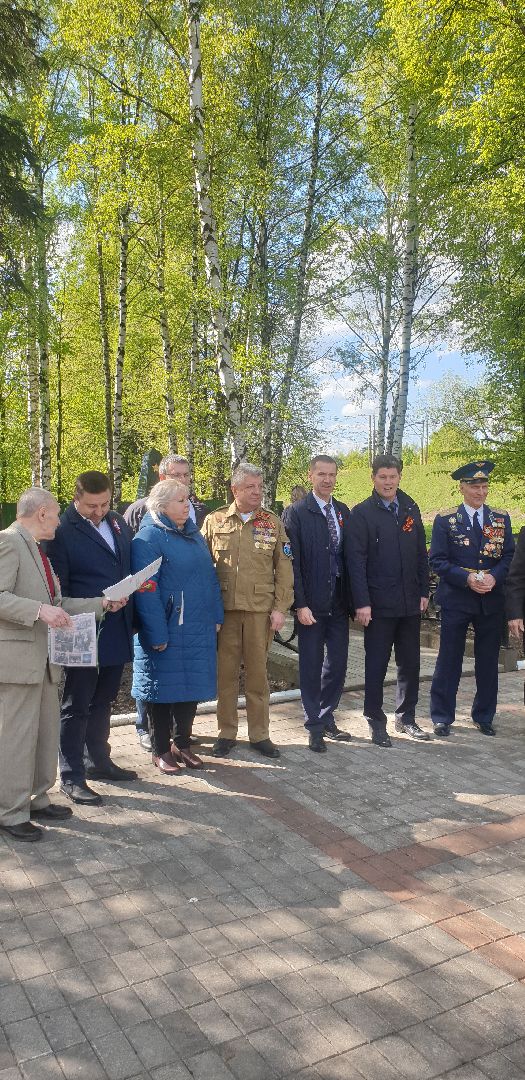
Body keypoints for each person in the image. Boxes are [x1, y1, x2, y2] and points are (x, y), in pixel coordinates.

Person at [0, 488, 123, 842]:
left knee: (42, 734)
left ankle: (37, 800)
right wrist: (39, 611)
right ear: (41, 513)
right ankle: (9, 812)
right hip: (18, 663)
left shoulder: (38, 551)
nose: (60, 520)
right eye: (55, 514)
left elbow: (58, 601)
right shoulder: (9, 543)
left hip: (42, 662)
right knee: (17, 739)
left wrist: (102, 604)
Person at [47, 471, 137, 805]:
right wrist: (97, 603)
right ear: (76, 498)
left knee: (104, 700)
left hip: (116, 626)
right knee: (77, 704)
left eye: (104, 504)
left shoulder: (116, 522)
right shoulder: (60, 531)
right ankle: (71, 775)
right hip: (82, 627)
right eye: (91, 506)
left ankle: (98, 760)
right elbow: (59, 588)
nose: (99, 511)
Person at [131, 480, 223, 773]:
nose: (188, 505)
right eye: (181, 500)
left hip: (197, 626)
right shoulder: (148, 538)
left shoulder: (192, 534)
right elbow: (146, 590)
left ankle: (182, 744)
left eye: (188, 499)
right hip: (168, 629)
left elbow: (209, 579)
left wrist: (216, 615)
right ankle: (161, 749)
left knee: (191, 687)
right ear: (162, 506)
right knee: (162, 690)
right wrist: (156, 633)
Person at [202, 463, 294, 758]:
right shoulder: (214, 521)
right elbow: (202, 569)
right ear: (235, 490)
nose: (257, 492)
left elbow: (284, 569)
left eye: (260, 486)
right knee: (225, 677)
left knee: (257, 677)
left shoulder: (272, 522)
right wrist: (207, 612)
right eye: (250, 487)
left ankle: (260, 734)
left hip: (259, 612)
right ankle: (226, 732)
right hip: (225, 613)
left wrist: (281, 608)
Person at [124, 454, 206, 751]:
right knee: (155, 681)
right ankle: (147, 730)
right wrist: (155, 628)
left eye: (186, 476)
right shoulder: (140, 517)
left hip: (190, 622)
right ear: (162, 479)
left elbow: (205, 572)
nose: (183, 481)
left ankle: (177, 738)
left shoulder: (197, 515)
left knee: (181, 682)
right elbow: (143, 580)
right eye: (176, 476)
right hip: (164, 618)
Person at [347, 454, 430, 747]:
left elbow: (421, 553)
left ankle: (406, 717)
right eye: (382, 477)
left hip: (409, 602)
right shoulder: (362, 514)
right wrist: (362, 602)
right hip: (378, 606)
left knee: (410, 664)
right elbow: (355, 563)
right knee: (377, 664)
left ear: (399, 477)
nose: (388, 482)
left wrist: (423, 591)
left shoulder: (410, 507)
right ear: (373, 478)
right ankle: (374, 719)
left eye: (392, 476)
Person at [429, 460, 514, 737]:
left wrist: (494, 577)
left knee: (488, 661)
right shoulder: (446, 520)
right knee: (449, 659)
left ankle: (484, 715)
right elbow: (438, 561)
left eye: (484, 486)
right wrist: (465, 578)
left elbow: (510, 556)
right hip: (457, 598)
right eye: (474, 486)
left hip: (490, 599)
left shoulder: (500, 519)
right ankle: (442, 716)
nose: (480, 491)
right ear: (462, 488)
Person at [286, 456, 353, 752]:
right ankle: (313, 724)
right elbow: (293, 565)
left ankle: (327, 716)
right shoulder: (297, 513)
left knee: (337, 664)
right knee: (311, 666)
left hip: (338, 603)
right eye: (321, 474)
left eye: (332, 475)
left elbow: (348, 558)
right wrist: (300, 604)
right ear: (310, 475)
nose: (327, 480)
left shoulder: (342, 511)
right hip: (311, 605)